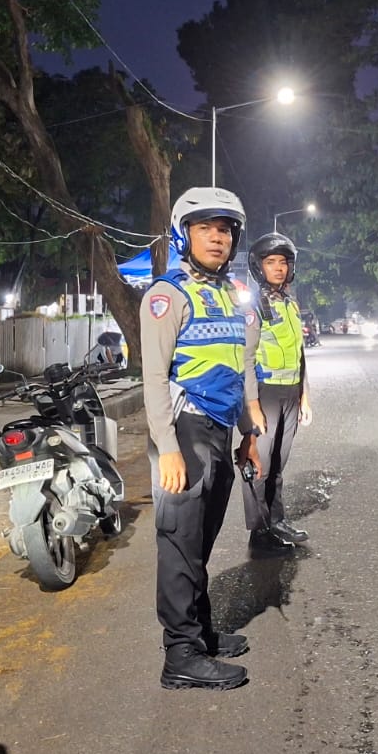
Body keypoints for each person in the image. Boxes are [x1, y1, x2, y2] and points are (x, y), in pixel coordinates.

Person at [142, 187, 268, 692]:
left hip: (219, 429)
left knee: (201, 539)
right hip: (184, 429)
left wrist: (248, 434)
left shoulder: (229, 295)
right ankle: (181, 653)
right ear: (183, 235)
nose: (217, 239)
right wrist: (167, 448)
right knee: (179, 542)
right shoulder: (167, 295)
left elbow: (242, 367)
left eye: (225, 230)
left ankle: (200, 632)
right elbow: (153, 378)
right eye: (205, 229)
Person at [241, 233, 314, 552]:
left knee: (278, 463)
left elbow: (299, 353)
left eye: (283, 262)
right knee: (260, 464)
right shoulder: (253, 306)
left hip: (290, 392)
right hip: (265, 392)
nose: (279, 268)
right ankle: (259, 532)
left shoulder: (291, 304)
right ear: (259, 267)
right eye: (271, 262)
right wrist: (252, 405)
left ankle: (276, 520)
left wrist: (304, 395)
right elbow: (245, 358)